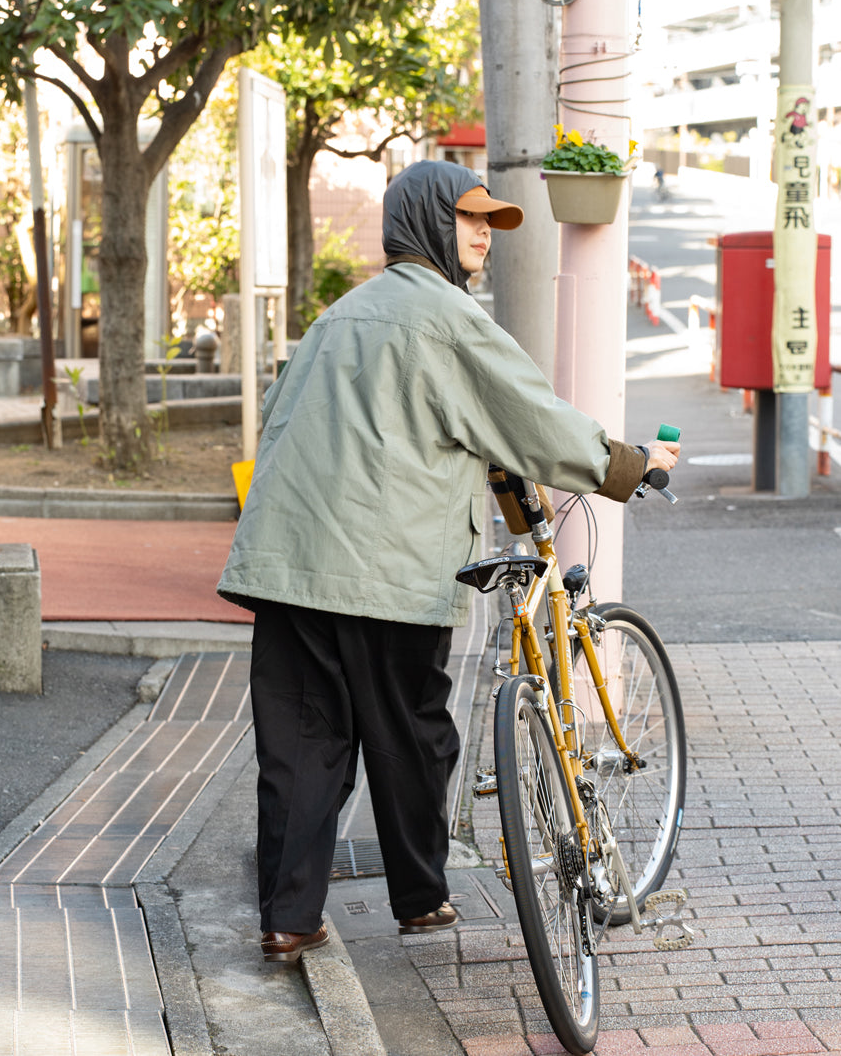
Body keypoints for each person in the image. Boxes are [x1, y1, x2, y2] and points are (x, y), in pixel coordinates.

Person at [217, 158, 679, 963]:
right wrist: (631, 467)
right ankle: (421, 898)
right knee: (411, 736)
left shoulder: (338, 318)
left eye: (489, 224)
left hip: (286, 568)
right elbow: (530, 419)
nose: (482, 236)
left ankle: (287, 920)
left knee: (301, 746)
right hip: (385, 571)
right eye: (469, 219)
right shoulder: (446, 319)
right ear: (425, 221)